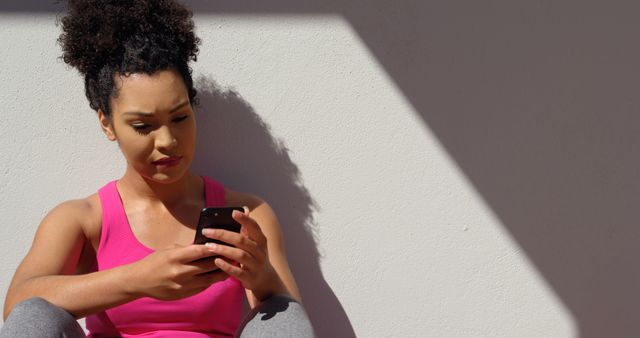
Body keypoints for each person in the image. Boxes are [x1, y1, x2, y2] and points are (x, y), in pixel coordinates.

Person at [1, 0, 315, 337]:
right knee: (34, 313)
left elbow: (286, 319)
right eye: (143, 126)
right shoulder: (82, 219)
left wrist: (261, 276)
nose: (167, 141)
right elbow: (18, 305)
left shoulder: (247, 212)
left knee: (286, 314)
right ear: (107, 124)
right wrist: (139, 279)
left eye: (180, 117)